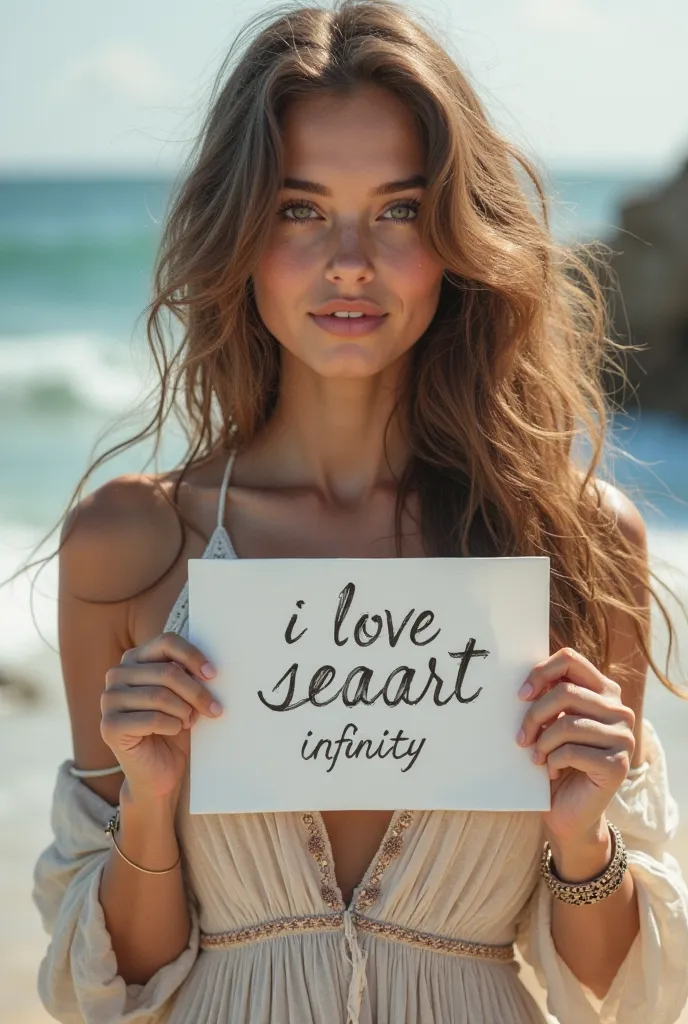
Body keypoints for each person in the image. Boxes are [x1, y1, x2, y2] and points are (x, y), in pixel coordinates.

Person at [29, 1, 688, 1022]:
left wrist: (583, 840)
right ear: (240, 234)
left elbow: (617, 993)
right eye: (299, 208)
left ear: (455, 237)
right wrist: (151, 808)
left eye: (397, 209)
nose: (349, 260)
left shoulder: (575, 546)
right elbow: (111, 990)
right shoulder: (131, 546)